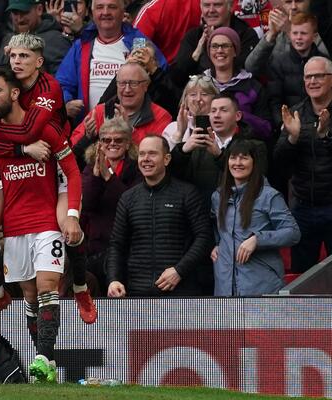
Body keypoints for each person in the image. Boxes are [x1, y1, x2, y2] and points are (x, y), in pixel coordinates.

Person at [0, 34, 97, 327]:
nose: (17, 62)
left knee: (69, 226)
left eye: (24, 57)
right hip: (19, 162)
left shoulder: (48, 88)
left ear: (39, 61)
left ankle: (80, 288)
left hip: (53, 160)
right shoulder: (2, 88)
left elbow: (29, 129)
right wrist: (1, 141)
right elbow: (1, 147)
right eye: (13, 56)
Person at [0, 69, 82, 382]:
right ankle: (46, 364)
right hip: (16, 225)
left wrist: (71, 211)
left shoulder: (43, 127)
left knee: (48, 285)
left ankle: (44, 354)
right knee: (30, 295)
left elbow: (72, 171)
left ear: (15, 93)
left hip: (47, 218)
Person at [106, 135, 212, 297]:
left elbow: (204, 237)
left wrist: (179, 270)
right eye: (142, 154)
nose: (146, 159)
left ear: (167, 159)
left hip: (181, 292)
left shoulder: (187, 193)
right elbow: (116, 244)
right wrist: (114, 279)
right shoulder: (128, 198)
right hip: (137, 292)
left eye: (152, 154)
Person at [211, 139, 300, 295]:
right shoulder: (218, 196)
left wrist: (257, 240)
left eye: (244, 157)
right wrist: (218, 243)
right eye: (233, 157)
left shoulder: (269, 195)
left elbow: (293, 233)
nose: (237, 163)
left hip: (261, 284)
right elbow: (216, 226)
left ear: (254, 163)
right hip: (225, 285)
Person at [56, 0, 167, 123]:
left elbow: (162, 77)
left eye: (112, 7)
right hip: (91, 127)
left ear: (123, 11)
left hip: (134, 125)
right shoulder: (81, 45)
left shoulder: (139, 43)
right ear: (92, 13)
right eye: (99, 7)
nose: (105, 12)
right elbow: (62, 84)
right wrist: (66, 104)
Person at [273, 56, 332, 273]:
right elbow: (279, 163)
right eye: (308, 76)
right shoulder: (294, 114)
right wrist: (292, 138)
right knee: (302, 276)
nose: (313, 81)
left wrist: (326, 136)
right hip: (304, 207)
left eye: (319, 76)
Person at [79, 116, 141, 294]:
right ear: (100, 143)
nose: (112, 143)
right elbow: (87, 204)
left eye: (118, 140)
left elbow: (131, 203)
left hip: (127, 248)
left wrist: (109, 177)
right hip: (96, 248)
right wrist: (97, 177)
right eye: (106, 139)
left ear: (128, 143)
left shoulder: (137, 168)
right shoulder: (90, 168)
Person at [71, 62, 172, 165]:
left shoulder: (161, 116)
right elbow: (71, 151)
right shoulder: (100, 111)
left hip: (139, 179)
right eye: (122, 83)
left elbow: (155, 159)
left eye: (133, 83)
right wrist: (88, 138)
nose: (127, 89)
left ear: (146, 86)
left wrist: (130, 131)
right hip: (100, 177)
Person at [170, 0, 259, 88]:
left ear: (231, 7)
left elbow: (241, 72)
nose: (211, 10)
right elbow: (176, 78)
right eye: (206, 5)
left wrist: (213, 44)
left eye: (217, 5)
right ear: (201, 7)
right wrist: (197, 53)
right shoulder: (194, 36)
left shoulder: (246, 35)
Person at [203, 27, 272, 139]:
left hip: (242, 149)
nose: (219, 50)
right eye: (214, 46)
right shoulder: (199, 85)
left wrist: (239, 115)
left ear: (235, 51)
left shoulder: (253, 87)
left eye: (225, 46)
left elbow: (267, 129)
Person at [267, 12, 325, 128]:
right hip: (289, 124)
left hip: (319, 123)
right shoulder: (278, 63)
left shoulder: (324, 62)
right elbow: (274, 100)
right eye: (295, 33)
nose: (298, 37)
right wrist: (282, 124)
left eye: (303, 33)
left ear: (314, 36)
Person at [245, 0, 328, 75]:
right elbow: (251, 68)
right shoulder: (277, 32)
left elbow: (326, 62)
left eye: (299, 1)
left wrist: (289, 31)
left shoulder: (323, 26)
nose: (293, 7)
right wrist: (271, 35)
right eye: (288, 2)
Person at [0, 0, 71, 74]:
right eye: (15, 13)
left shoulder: (56, 40)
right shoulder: (7, 38)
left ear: (39, 9)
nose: (20, 18)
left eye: (24, 12)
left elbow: (64, 81)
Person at [133, 0, 202, 64]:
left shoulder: (151, 10)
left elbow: (137, 47)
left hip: (162, 71)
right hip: (196, 69)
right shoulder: (205, 4)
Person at [161, 74, 219, 149]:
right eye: (193, 94)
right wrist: (179, 133)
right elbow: (165, 158)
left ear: (215, 99)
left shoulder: (221, 126)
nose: (198, 99)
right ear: (186, 100)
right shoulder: (172, 128)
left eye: (204, 94)